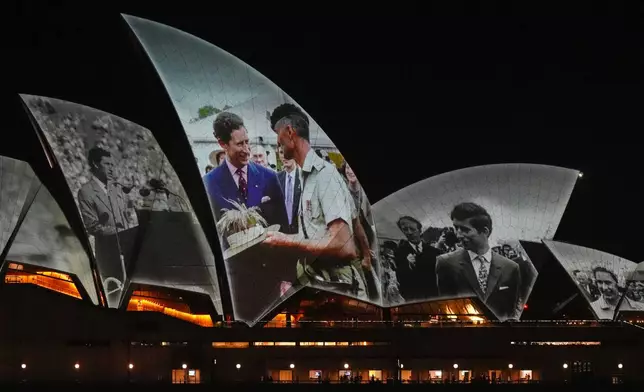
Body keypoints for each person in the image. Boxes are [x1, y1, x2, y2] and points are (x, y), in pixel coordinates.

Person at [264, 103, 367, 300]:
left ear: (290, 132)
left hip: (338, 289)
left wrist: (287, 240)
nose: (278, 143)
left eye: (278, 135)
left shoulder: (324, 175)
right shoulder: (306, 176)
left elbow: (343, 245)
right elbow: (353, 222)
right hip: (321, 284)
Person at [203, 112, 288, 232]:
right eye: (239, 144)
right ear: (223, 144)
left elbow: (283, 227)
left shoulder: (269, 177)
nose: (247, 150)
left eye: (247, 142)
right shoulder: (208, 184)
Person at [436, 202, 521, 321]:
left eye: (465, 230)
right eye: (456, 228)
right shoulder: (446, 263)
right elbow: (446, 308)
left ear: (485, 231)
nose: (458, 235)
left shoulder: (511, 267)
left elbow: (511, 311)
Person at [77, 146, 138, 306]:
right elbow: (92, 226)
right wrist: (119, 232)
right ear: (96, 165)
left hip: (127, 251)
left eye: (112, 164)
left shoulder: (116, 188)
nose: (112, 168)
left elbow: (126, 216)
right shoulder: (86, 192)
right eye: (107, 164)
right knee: (114, 301)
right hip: (108, 254)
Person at [394, 216, 442, 302]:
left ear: (420, 230)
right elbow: (400, 277)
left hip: (434, 297)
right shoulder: (399, 252)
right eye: (405, 229)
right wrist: (407, 265)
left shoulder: (435, 252)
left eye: (412, 229)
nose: (409, 232)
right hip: (413, 299)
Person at [277, 146, 301, 234]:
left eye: (288, 152)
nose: (285, 156)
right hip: (282, 231)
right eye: (281, 152)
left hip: (300, 231)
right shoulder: (276, 178)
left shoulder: (304, 177)